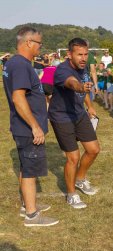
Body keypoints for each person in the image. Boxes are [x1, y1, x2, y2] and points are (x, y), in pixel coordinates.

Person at [2, 26, 58, 226]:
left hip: (21, 126)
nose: (40, 48)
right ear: (28, 42)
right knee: (30, 170)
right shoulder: (20, 65)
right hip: (27, 128)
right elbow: (18, 98)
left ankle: (28, 204)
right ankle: (32, 215)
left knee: (26, 165)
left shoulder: (14, 63)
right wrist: (35, 126)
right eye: (39, 43)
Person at [48, 38, 100, 209]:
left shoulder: (83, 67)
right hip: (62, 117)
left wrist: (90, 106)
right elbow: (74, 83)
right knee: (73, 158)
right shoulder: (63, 70)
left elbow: (84, 87)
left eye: (86, 54)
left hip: (79, 114)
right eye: (79, 55)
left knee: (93, 150)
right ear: (70, 54)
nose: (83, 58)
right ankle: (71, 194)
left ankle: (80, 179)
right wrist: (80, 87)